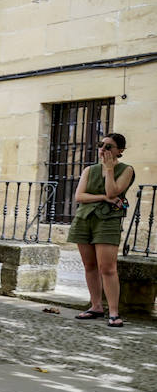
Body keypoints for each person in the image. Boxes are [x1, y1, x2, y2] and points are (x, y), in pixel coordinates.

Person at [68, 132, 134, 328]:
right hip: (84, 219)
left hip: (108, 220)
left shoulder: (126, 170)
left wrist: (110, 170)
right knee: (90, 266)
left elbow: (113, 191)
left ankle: (113, 312)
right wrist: (103, 198)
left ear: (119, 151)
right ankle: (96, 306)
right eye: (101, 145)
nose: (103, 150)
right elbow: (79, 197)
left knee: (108, 268)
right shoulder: (89, 170)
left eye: (108, 147)